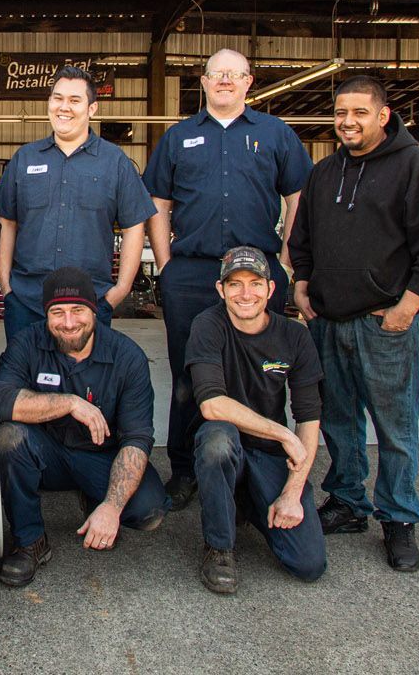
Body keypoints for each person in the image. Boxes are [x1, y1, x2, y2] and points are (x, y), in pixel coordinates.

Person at [288, 75, 419, 572]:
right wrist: (302, 283)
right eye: (340, 113)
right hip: (327, 323)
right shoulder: (325, 173)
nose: (347, 122)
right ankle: (348, 501)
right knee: (338, 420)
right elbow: (302, 237)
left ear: (383, 115)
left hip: (382, 325)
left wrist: (407, 307)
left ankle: (399, 516)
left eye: (359, 113)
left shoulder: (415, 167)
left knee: (395, 427)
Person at [143, 48, 311, 509]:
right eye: (216, 74)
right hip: (191, 271)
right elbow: (158, 203)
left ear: (248, 82)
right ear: (203, 81)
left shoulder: (275, 134)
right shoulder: (178, 138)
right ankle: (185, 469)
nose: (225, 81)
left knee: (258, 371)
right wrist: (167, 264)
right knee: (187, 374)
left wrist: (287, 263)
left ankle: (257, 462)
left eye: (234, 74)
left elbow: (298, 196)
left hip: (256, 272)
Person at [0, 266, 167, 587]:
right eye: (57, 312)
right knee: (8, 437)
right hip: (46, 454)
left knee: (147, 510)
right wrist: (70, 403)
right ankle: (30, 541)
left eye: (78, 310)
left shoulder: (127, 357)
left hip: (102, 456)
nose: (69, 323)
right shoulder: (28, 342)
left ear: (94, 311)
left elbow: (137, 439)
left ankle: (96, 499)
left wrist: (112, 506)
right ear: (45, 315)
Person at [187, 247, 326, 594]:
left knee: (308, 563)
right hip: (227, 443)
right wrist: (283, 434)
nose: (245, 294)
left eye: (255, 283)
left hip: (268, 454)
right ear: (221, 290)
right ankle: (219, 548)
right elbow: (212, 405)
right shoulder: (208, 325)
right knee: (216, 441)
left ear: (271, 288)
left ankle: (247, 501)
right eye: (234, 284)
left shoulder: (295, 336)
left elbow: (309, 417)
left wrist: (292, 492)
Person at [0, 65, 155, 341]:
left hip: (90, 304)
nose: (64, 107)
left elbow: (134, 227)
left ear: (92, 108)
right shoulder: (25, 158)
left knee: (86, 371)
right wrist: (7, 287)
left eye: (74, 100)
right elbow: (6, 223)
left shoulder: (114, 162)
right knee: (22, 370)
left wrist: (119, 291)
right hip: (26, 303)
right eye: (57, 98)